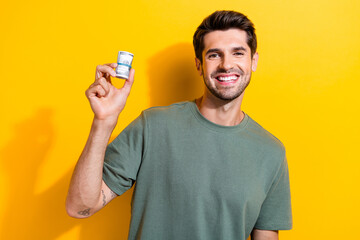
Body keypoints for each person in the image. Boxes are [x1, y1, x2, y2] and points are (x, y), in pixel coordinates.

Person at [66, 10, 292, 240]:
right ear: (199, 64)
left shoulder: (271, 152)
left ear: (253, 61)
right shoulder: (152, 127)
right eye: (214, 55)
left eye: (238, 53)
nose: (226, 64)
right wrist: (103, 123)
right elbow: (79, 207)